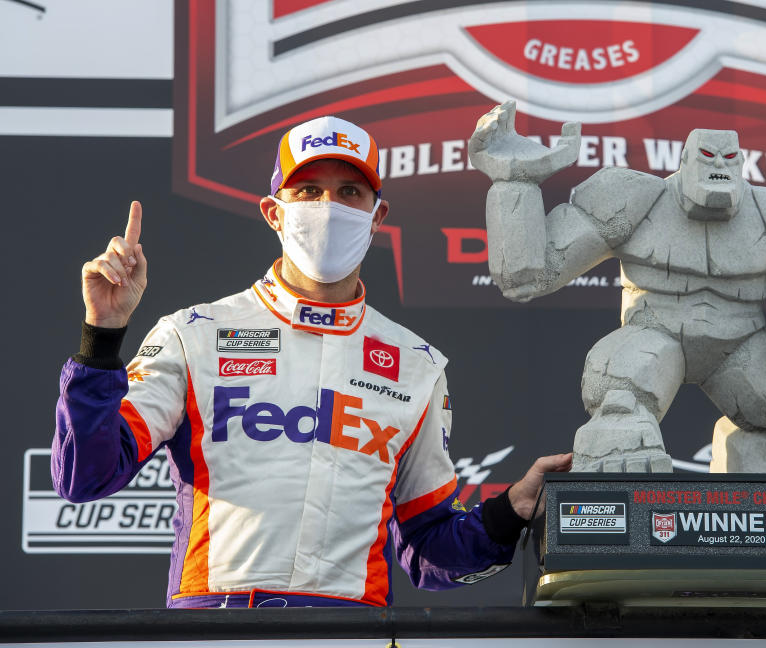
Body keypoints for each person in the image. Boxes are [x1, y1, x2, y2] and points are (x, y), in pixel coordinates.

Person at [53, 115, 572, 609]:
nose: (329, 206)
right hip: (217, 621)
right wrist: (101, 335)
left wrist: (513, 511)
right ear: (274, 212)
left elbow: (427, 549)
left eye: (349, 192)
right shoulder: (194, 335)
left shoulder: (418, 367)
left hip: (351, 628)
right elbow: (84, 474)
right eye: (308, 191)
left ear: (376, 216)